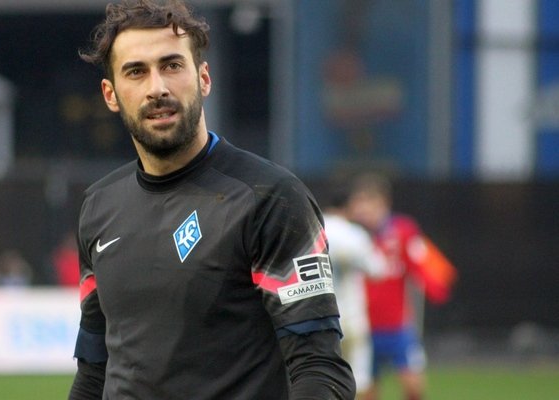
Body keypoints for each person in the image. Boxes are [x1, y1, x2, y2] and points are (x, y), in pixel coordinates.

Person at [68, 1, 355, 399]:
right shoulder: (99, 207)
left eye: (172, 65)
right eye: (136, 72)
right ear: (110, 94)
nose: (157, 88)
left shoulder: (269, 198)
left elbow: (320, 370)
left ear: (203, 78)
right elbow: (93, 373)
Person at [346, 173, 455, 400]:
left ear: (384, 203)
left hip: (397, 326)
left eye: (369, 202)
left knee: (413, 386)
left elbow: (426, 263)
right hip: (362, 327)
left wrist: (436, 287)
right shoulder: (348, 236)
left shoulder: (403, 230)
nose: (364, 209)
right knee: (367, 392)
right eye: (359, 202)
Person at [323, 183, 385, 399]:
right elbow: (378, 269)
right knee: (359, 379)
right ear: (348, 206)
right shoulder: (354, 234)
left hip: (323, 317)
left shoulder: (314, 227)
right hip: (353, 317)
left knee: (324, 379)